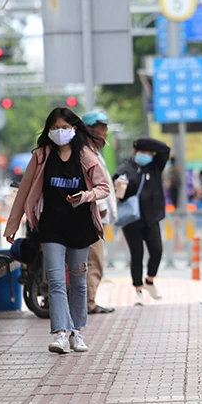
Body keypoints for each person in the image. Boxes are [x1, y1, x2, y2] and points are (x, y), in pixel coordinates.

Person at [3, 107, 110, 354]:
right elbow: (25, 191)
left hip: (81, 227)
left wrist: (85, 196)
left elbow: (104, 187)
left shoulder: (85, 154)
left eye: (64, 127)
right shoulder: (41, 156)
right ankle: (61, 333)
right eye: (54, 127)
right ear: (48, 130)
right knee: (56, 281)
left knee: (79, 282)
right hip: (51, 227)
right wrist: (13, 225)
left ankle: (77, 332)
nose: (59, 132)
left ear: (74, 128)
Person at [112, 137, 171, 306]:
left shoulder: (155, 167)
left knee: (157, 250)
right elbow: (116, 194)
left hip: (152, 217)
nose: (147, 155)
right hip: (132, 220)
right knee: (137, 254)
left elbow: (165, 149)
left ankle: (149, 281)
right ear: (135, 152)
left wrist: (141, 142)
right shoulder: (124, 170)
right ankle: (138, 290)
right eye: (143, 152)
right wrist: (118, 187)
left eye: (149, 153)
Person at [81, 110, 117, 315]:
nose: (105, 132)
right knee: (95, 261)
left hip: (94, 216)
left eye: (105, 128)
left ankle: (88, 301)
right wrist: (102, 207)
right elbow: (94, 183)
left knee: (93, 261)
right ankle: (88, 303)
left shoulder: (94, 151)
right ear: (90, 130)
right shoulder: (86, 152)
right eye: (101, 128)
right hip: (91, 215)